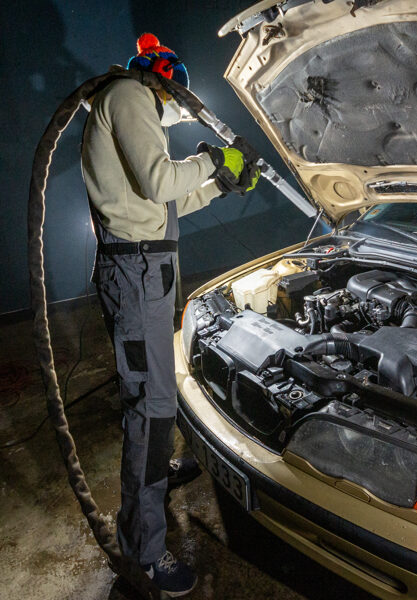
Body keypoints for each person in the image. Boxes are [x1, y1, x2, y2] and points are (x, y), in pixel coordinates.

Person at [81, 33, 258, 597]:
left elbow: (166, 200)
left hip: (147, 271)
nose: (181, 107)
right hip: (135, 277)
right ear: (164, 77)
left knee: (158, 392)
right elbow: (162, 180)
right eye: (179, 95)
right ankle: (144, 550)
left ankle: (158, 477)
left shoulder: (132, 104)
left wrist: (220, 183)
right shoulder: (130, 95)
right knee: (152, 408)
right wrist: (209, 157)